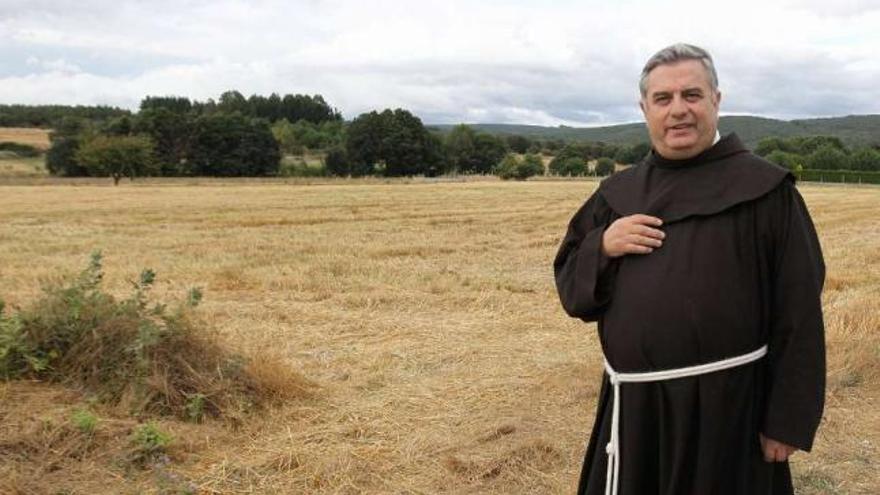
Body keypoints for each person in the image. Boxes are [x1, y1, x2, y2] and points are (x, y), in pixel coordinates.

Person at [553, 43, 825, 495]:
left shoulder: (767, 192)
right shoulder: (616, 195)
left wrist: (787, 419)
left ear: (716, 100)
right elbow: (572, 293)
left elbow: (799, 311)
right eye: (663, 99)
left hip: (731, 411)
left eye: (692, 95)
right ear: (645, 109)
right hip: (638, 413)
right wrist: (602, 245)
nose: (678, 110)